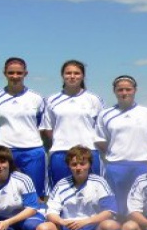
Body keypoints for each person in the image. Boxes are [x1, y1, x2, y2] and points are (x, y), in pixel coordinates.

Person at [35, 146, 122, 230]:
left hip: (92, 228)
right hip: (68, 227)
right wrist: (62, 222)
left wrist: (85, 222)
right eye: (74, 164)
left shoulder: (99, 182)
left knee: (111, 226)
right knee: (42, 229)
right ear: (69, 166)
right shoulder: (61, 184)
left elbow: (110, 211)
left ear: (89, 165)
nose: (78, 168)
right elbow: (51, 212)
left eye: (82, 164)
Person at [96, 75, 147, 219]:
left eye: (128, 89)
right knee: (116, 204)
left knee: (142, 202)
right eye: (120, 90)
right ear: (115, 91)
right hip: (116, 165)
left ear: (135, 90)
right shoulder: (105, 114)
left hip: (142, 164)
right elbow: (100, 140)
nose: (124, 93)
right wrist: (115, 153)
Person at [0, 57, 47, 199]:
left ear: (25, 73)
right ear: (5, 73)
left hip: (32, 151)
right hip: (4, 151)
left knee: (35, 193)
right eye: (11, 72)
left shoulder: (36, 97)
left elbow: (41, 126)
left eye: (19, 73)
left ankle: (36, 219)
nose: (15, 76)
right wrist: (1, 144)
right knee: (3, 191)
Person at [41, 60, 104, 188]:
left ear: (83, 76)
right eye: (68, 73)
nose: (72, 76)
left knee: (92, 192)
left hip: (89, 152)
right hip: (60, 152)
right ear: (62, 76)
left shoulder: (94, 99)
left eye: (76, 73)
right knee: (60, 192)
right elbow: (48, 128)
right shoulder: (51, 100)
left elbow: (101, 128)